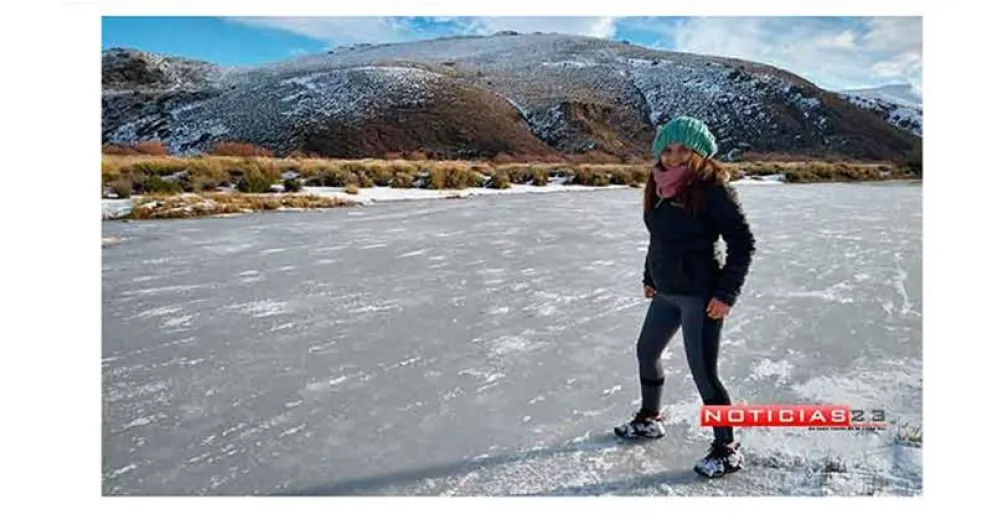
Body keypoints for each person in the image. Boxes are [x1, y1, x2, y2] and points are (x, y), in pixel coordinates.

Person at [613, 116, 756, 479]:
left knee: (704, 374)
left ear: (700, 154)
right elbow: (658, 238)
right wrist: (650, 277)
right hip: (666, 291)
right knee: (646, 352)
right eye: (668, 148)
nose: (674, 157)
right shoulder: (658, 186)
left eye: (684, 149)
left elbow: (742, 244)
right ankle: (650, 418)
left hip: (700, 295)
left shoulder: (712, 189)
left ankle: (727, 449)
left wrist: (726, 294)